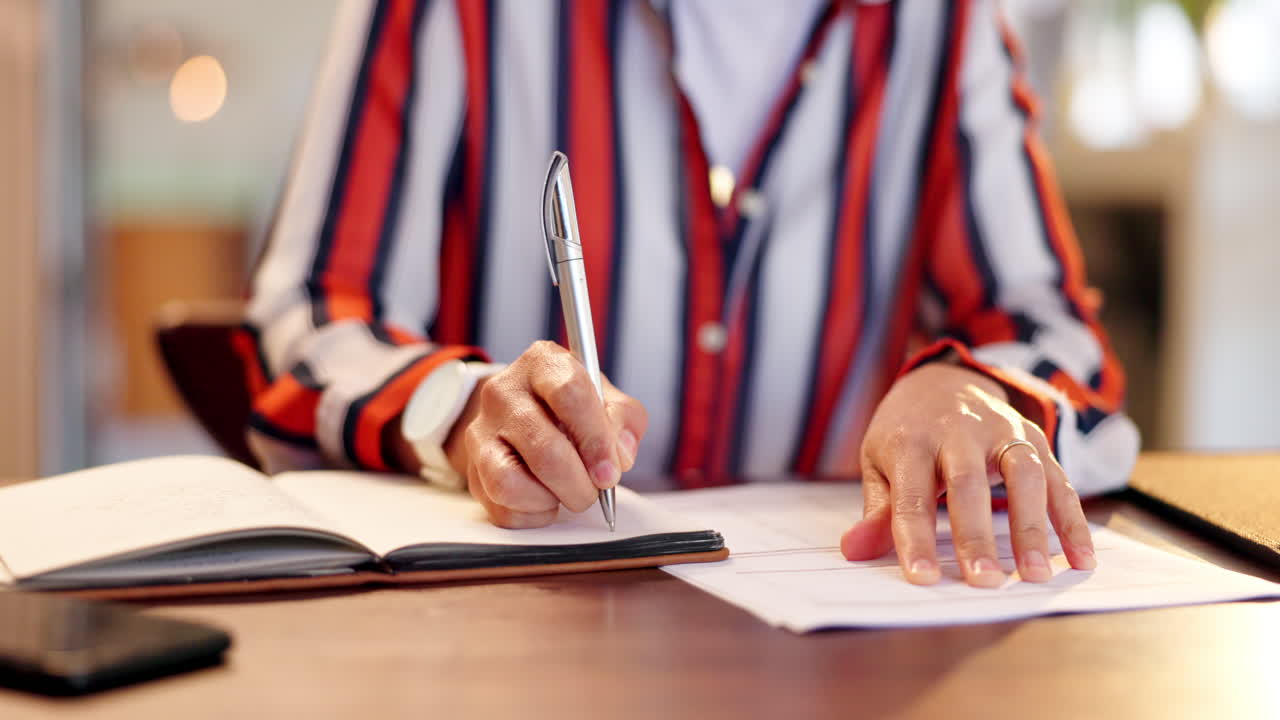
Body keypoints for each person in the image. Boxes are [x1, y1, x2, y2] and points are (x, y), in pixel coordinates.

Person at [241, 0, 1139, 589]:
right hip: (508, 624)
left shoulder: (944, 26)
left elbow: (1052, 332)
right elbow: (317, 313)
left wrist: (977, 390)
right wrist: (464, 408)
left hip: (840, 633)